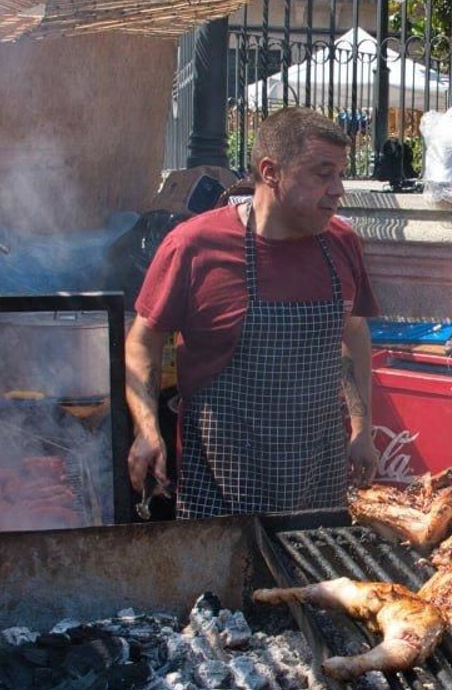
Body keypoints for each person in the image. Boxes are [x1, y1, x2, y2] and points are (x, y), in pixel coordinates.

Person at [126, 108, 379, 518]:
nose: (338, 190)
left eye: (340, 174)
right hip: (221, 484)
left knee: (314, 582)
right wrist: (146, 428)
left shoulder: (342, 243)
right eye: (323, 173)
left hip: (321, 476)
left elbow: (352, 333)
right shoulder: (195, 245)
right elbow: (143, 341)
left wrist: (363, 427)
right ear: (271, 171)